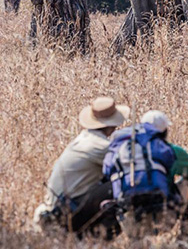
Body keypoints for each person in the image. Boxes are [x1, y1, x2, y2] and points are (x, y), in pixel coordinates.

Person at [33, 97, 130, 238]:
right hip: (67, 213)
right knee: (121, 183)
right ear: (112, 125)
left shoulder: (85, 138)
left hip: (59, 208)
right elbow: (128, 165)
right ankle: (104, 233)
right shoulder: (100, 146)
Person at [102, 113, 176, 238]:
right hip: (157, 198)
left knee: (135, 238)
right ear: (164, 131)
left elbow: (107, 170)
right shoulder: (157, 143)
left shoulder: (118, 144)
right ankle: (184, 232)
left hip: (126, 202)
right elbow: (170, 159)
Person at [140, 110, 188, 236]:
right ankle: (186, 231)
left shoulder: (126, 150)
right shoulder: (172, 151)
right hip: (163, 218)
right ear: (165, 131)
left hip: (129, 220)